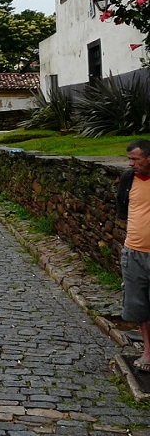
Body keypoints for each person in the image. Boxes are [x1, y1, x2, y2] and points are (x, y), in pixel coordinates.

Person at [117, 139, 150, 372]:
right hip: (134, 252)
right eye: (129, 159)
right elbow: (123, 211)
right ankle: (148, 352)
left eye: (135, 159)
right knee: (139, 308)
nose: (131, 164)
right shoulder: (128, 180)